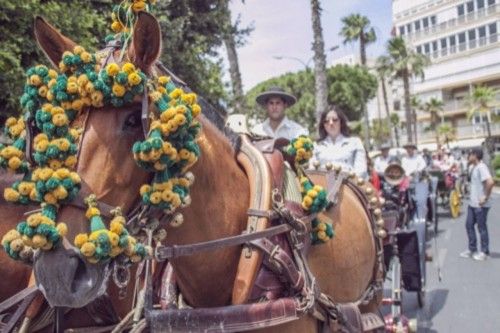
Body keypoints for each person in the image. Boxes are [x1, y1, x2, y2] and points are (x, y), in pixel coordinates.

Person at [310, 105, 367, 178]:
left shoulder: (355, 143)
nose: (331, 123)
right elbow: (312, 171)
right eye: (326, 121)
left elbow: (361, 171)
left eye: (335, 120)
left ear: (341, 122)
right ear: (323, 125)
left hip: (349, 185)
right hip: (322, 186)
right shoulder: (316, 145)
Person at [460, 148, 494, 261]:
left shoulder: (481, 167)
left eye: (470, 155)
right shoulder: (473, 167)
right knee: (469, 225)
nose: (468, 156)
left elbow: (490, 182)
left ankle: (484, 252)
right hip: (472, 203)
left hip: (481, 205)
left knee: (481, 227)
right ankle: (472, 249)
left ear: (475, 155)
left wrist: (485, 197)